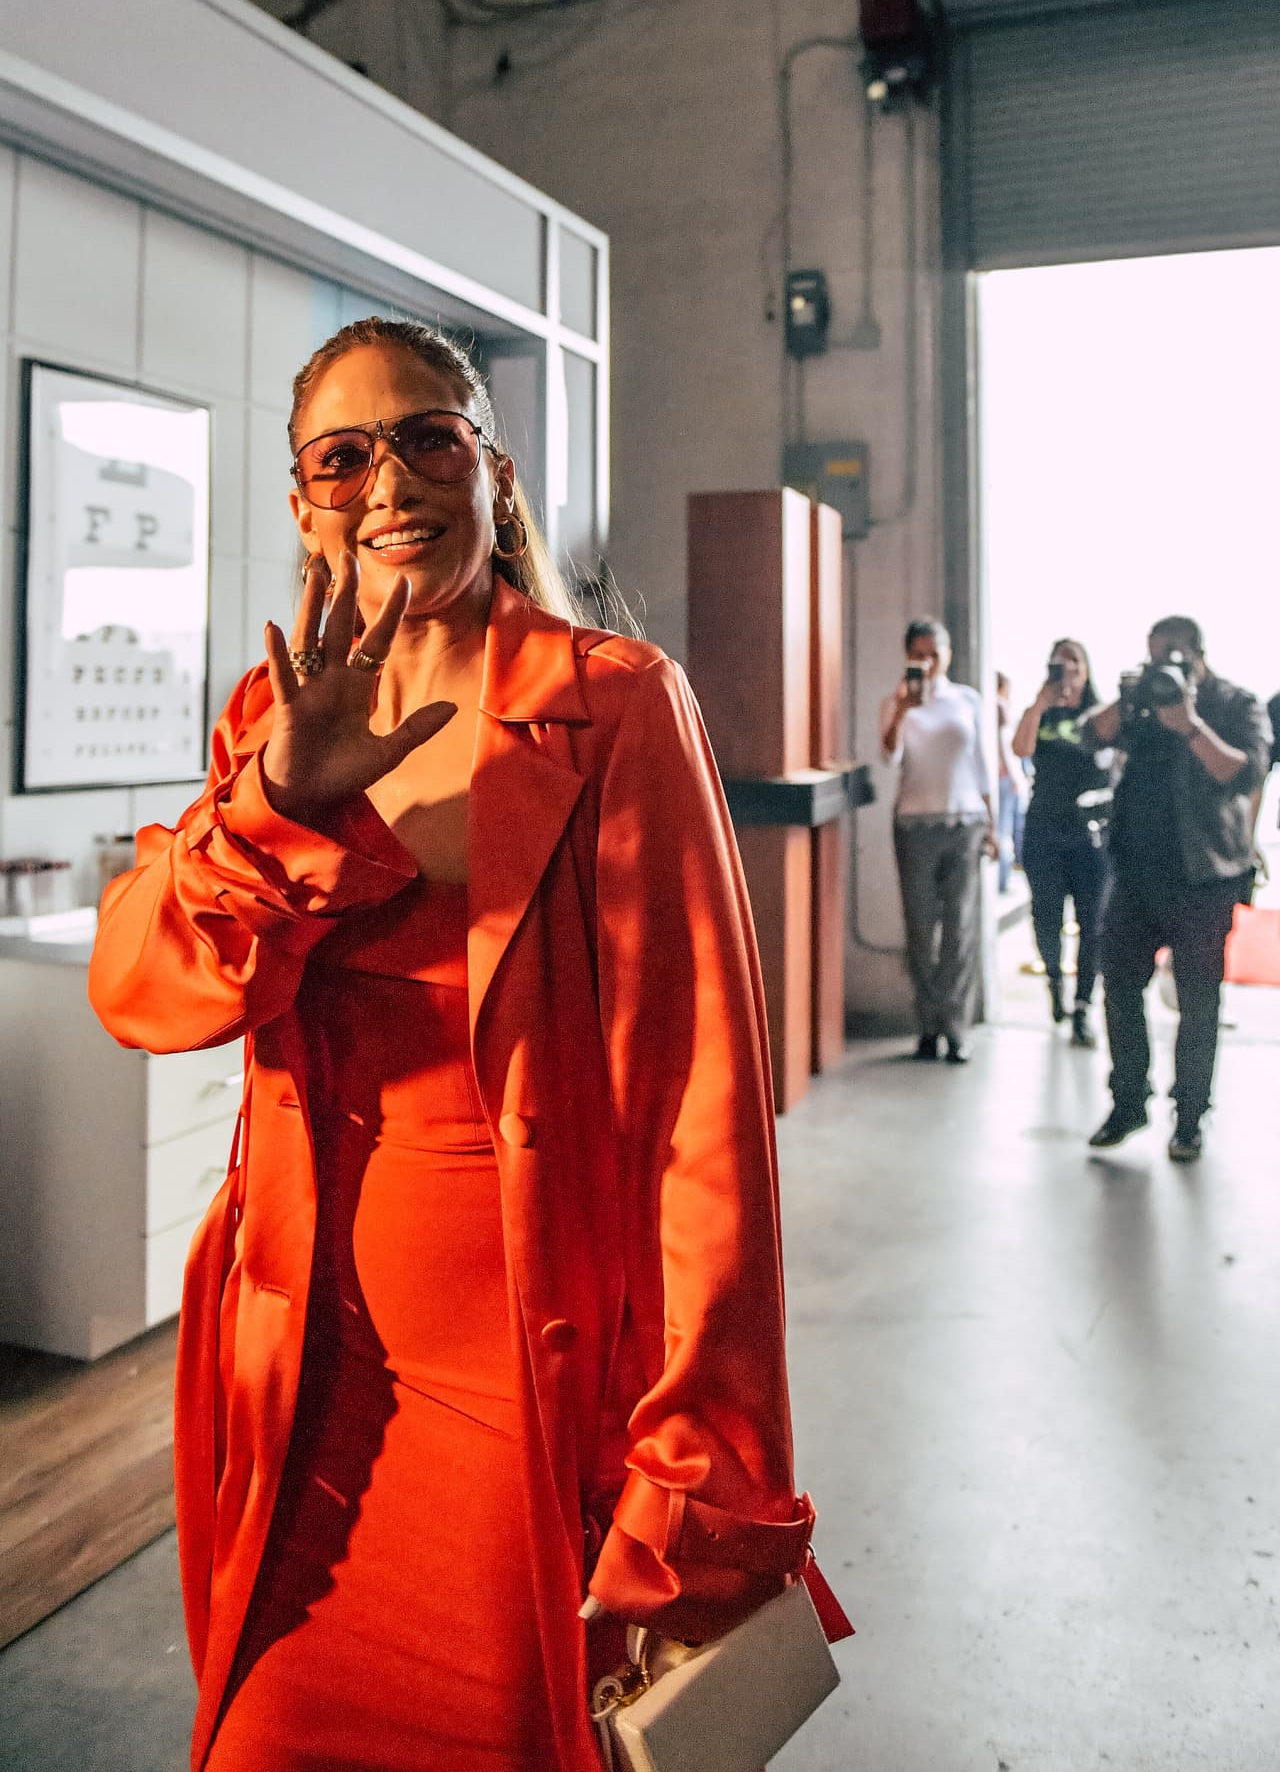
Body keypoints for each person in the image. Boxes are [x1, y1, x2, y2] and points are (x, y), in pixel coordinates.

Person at [88, 318, 838, 1772]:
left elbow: (701, 1121)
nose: (391, 480)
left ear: (490, 471)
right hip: (305, 1396)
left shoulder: (612, 703)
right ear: (303, 504)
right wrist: (278, 806)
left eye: (430, 436)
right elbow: (150, 996)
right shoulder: (277, 720)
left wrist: (706, 1479)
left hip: (525, 1415)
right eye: (342, 454)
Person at [1080, 615, 1271, 1162]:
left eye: (1172, 655)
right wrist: (1128, 696)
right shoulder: (1142, 704)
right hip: (1135, 869)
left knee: (1198, 1000)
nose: (1164, 665)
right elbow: (1089, 736)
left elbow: (1244, 775)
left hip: (1204, 878)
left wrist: (1188, 722)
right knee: (1117, 985)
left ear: (1197, 654)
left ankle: (1189, 1116)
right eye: (1154, 655)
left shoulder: (1235, 703)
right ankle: (1128, 1099)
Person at [880, 618, 998, 1064]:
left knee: (960, 928)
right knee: (919, 930)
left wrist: (993, 825)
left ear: (948, 653)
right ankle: (927, 1025)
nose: (928, 661)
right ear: (908, 654)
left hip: (964, 821)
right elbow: (889, 756)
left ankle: (955, 1027)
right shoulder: (896, 701)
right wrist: (905, 709)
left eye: (935, 652)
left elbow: (983, 764)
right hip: (914, 823)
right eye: (920, 653)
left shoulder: (967, 699)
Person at [1011, 638, 1110, 1048]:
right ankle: (1055, 982)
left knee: (1092, 923)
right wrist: (1039, 704)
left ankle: (1084, 1005)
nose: (1067, 670)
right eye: (1060, 663)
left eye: (1075, 662)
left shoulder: (1101, 716)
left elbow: (1113, 756)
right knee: (1046, 915)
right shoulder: (1040, 713)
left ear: (1087, 670)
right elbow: (1021, 748)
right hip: (1044, 828)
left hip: (1089, 833)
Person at [995, 671, 1029, 896]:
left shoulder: (990, 704)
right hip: (1005, 777)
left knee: (1002, 830)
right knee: (1004, 831)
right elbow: (1005, 742)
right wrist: (1018, 777)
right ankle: (1002, 879)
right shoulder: (999, 706)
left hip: (998, 776)